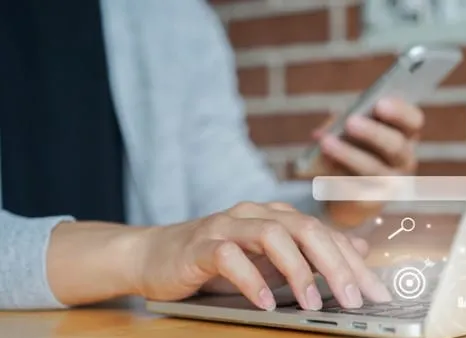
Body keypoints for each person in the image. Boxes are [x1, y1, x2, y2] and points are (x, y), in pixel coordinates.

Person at [0, 0, 424, 311]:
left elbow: (222, 206)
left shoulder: (174, 18)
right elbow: (172, 246)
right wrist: (145, 253)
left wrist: (331, 205)